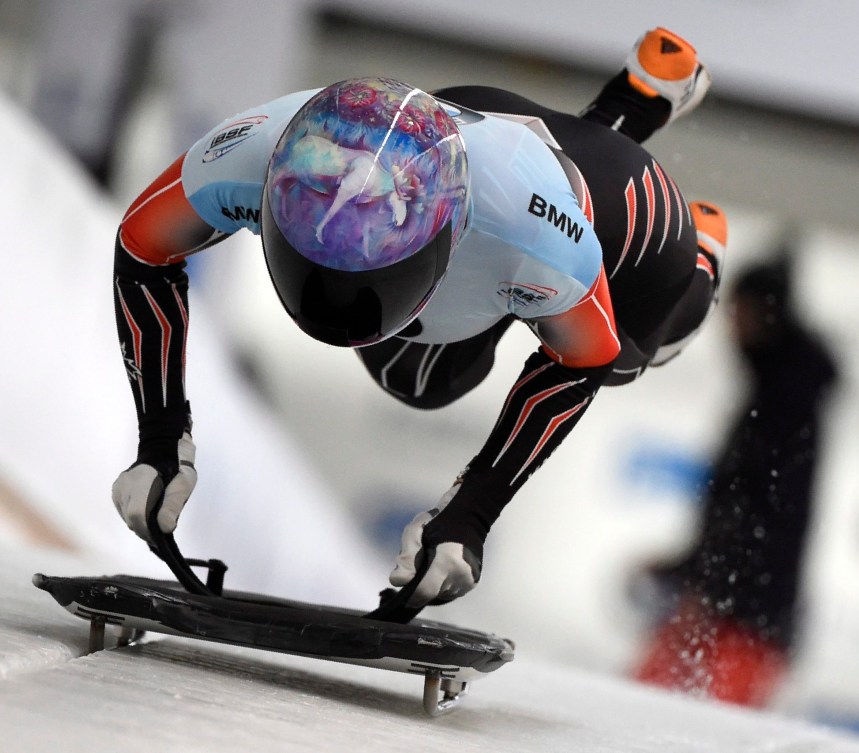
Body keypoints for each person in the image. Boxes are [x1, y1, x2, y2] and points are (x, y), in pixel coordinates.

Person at [110, 28, 727, 610]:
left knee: (624, 358)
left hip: (621, 215)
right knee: (415, 378)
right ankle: (633, 101)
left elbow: (583, 359)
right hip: (469, 144)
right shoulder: (253, 149)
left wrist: (472, 512)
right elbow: (141, 248)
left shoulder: (537, 242)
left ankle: (700, 241)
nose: (333, 294)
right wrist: (161, 438)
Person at [631, 251, 839, 706]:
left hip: (742, 619)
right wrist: (689, 570)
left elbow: (760, 516)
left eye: (738, 309)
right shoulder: (778, 394)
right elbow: (747, 513)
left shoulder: (784, 405)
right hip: (739, 607)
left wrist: (707, 589)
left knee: (665, 721)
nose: (730, 324)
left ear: (767, 315)